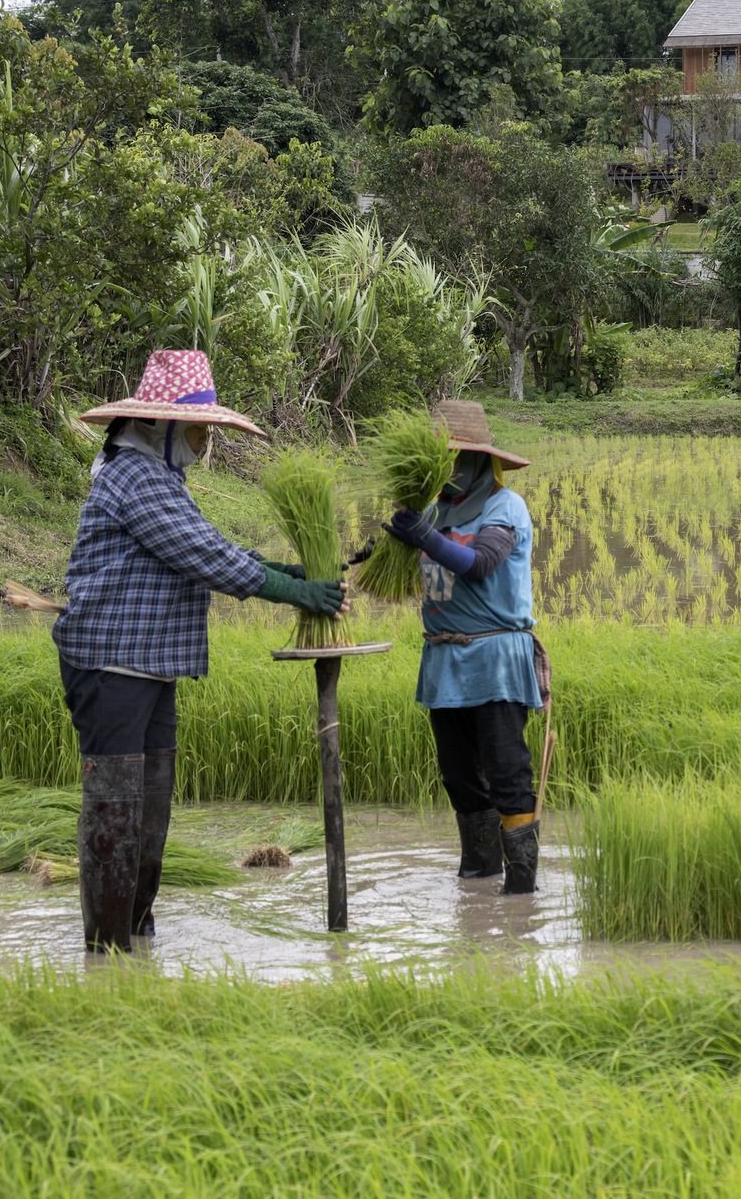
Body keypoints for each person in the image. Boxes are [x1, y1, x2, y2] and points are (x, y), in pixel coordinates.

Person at [53, 349, 348, 953]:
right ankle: (105, 954)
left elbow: (211, 543)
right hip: (112, 664)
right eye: (197, 428)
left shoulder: (160, 476)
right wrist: (298, 590)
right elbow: (202, 557)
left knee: (151, 807)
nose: (202, 440)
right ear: (158, 425)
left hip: (151, 663)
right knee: (117, 810)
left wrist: (281, 568)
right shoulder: (132, 474)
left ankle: (137, 936)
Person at [381, 400, 547, 895]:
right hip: (444, 661)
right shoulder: (435, 511)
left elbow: (479, 563)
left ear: (477, 459)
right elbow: (408, 562)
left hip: (496, 660)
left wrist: (424, 537)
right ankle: (478, 876)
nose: (447, 468)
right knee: (458, 776)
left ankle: (521, 889)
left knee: (506, 771)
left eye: (454, 457)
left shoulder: (504, 506)